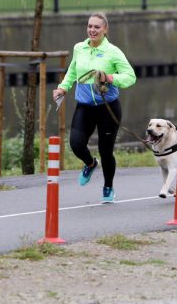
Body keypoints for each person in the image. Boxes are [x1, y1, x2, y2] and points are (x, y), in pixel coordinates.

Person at [52, 12, 136, 204]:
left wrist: (110, 77)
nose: (92, 30)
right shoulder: (79, 48)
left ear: (105, 29)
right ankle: (90, 164)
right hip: (85, 106)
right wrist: (63, 88)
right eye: (90, 26)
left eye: (97, 27)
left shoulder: (113, 51)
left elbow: (130, 77)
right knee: (76, 143)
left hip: (108, 108)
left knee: (106, 150)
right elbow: (72, 71)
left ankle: (108, 187)